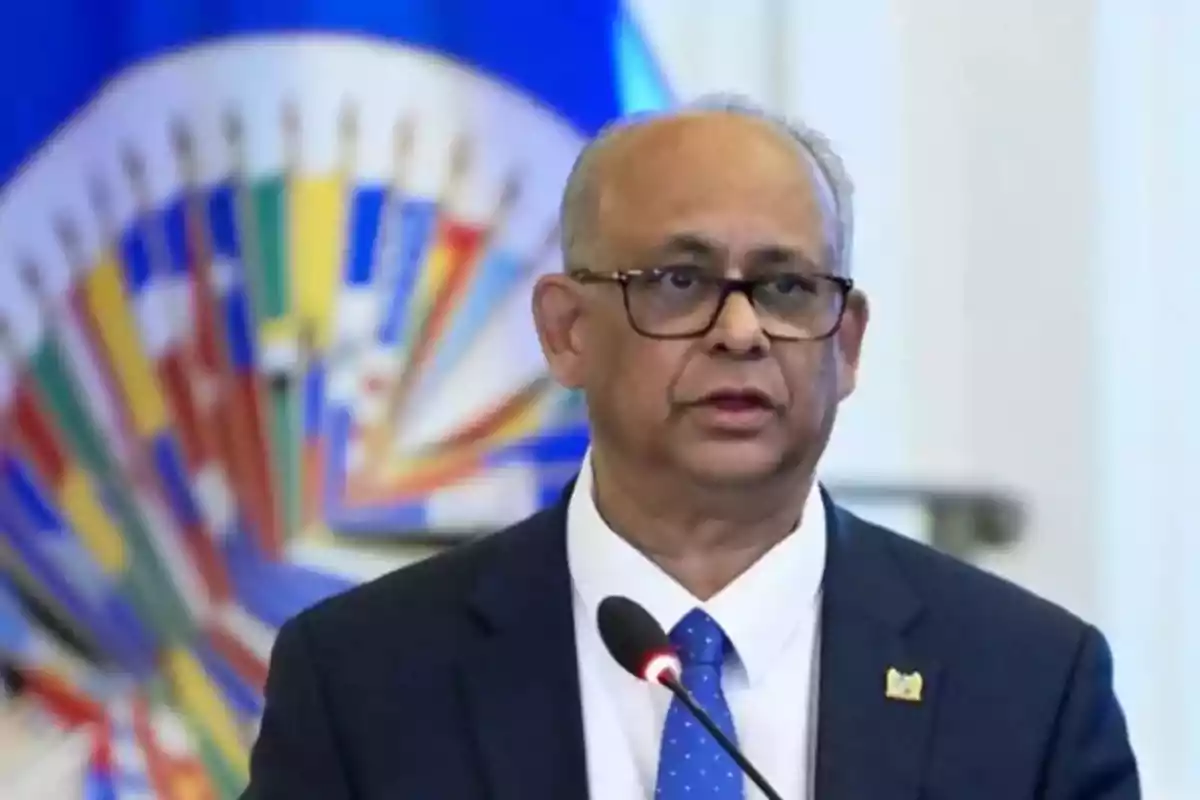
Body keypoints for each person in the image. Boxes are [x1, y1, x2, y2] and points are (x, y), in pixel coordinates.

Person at [241, 97, 1140, 799]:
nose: (742, 331)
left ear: (847, 342)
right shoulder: (366, 680)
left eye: (788, 287)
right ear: (565, 332)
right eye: (681, 281)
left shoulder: (1028, 687)